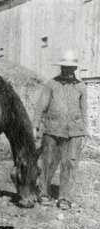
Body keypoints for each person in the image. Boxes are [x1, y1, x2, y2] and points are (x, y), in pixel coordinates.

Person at [34, 50, 87, 210]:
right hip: (52, 131)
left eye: (71, 68)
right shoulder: (51, 84)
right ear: (61, 68)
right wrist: (35, 125)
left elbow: (84, 111)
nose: (68, 71)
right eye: (65, 67)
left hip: (74, 133)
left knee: (69, 164)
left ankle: (65, 198)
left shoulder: (81, 86)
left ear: (75, 69)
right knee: (48, 162)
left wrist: (85, 131)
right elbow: (40, 107)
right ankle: (44, 194)